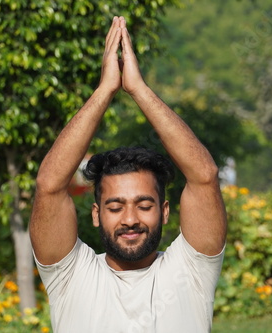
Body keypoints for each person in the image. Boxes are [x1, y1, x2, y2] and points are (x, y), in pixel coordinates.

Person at [29, 16, 227, 333]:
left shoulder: (190, 270)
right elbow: (49, 186)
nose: (130, 219)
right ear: (96, 214)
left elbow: (204, 175)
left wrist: (138, 89)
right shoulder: (71, 275)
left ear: (164, 211)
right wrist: (105, 91)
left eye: (144, 205)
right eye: (115, 206)